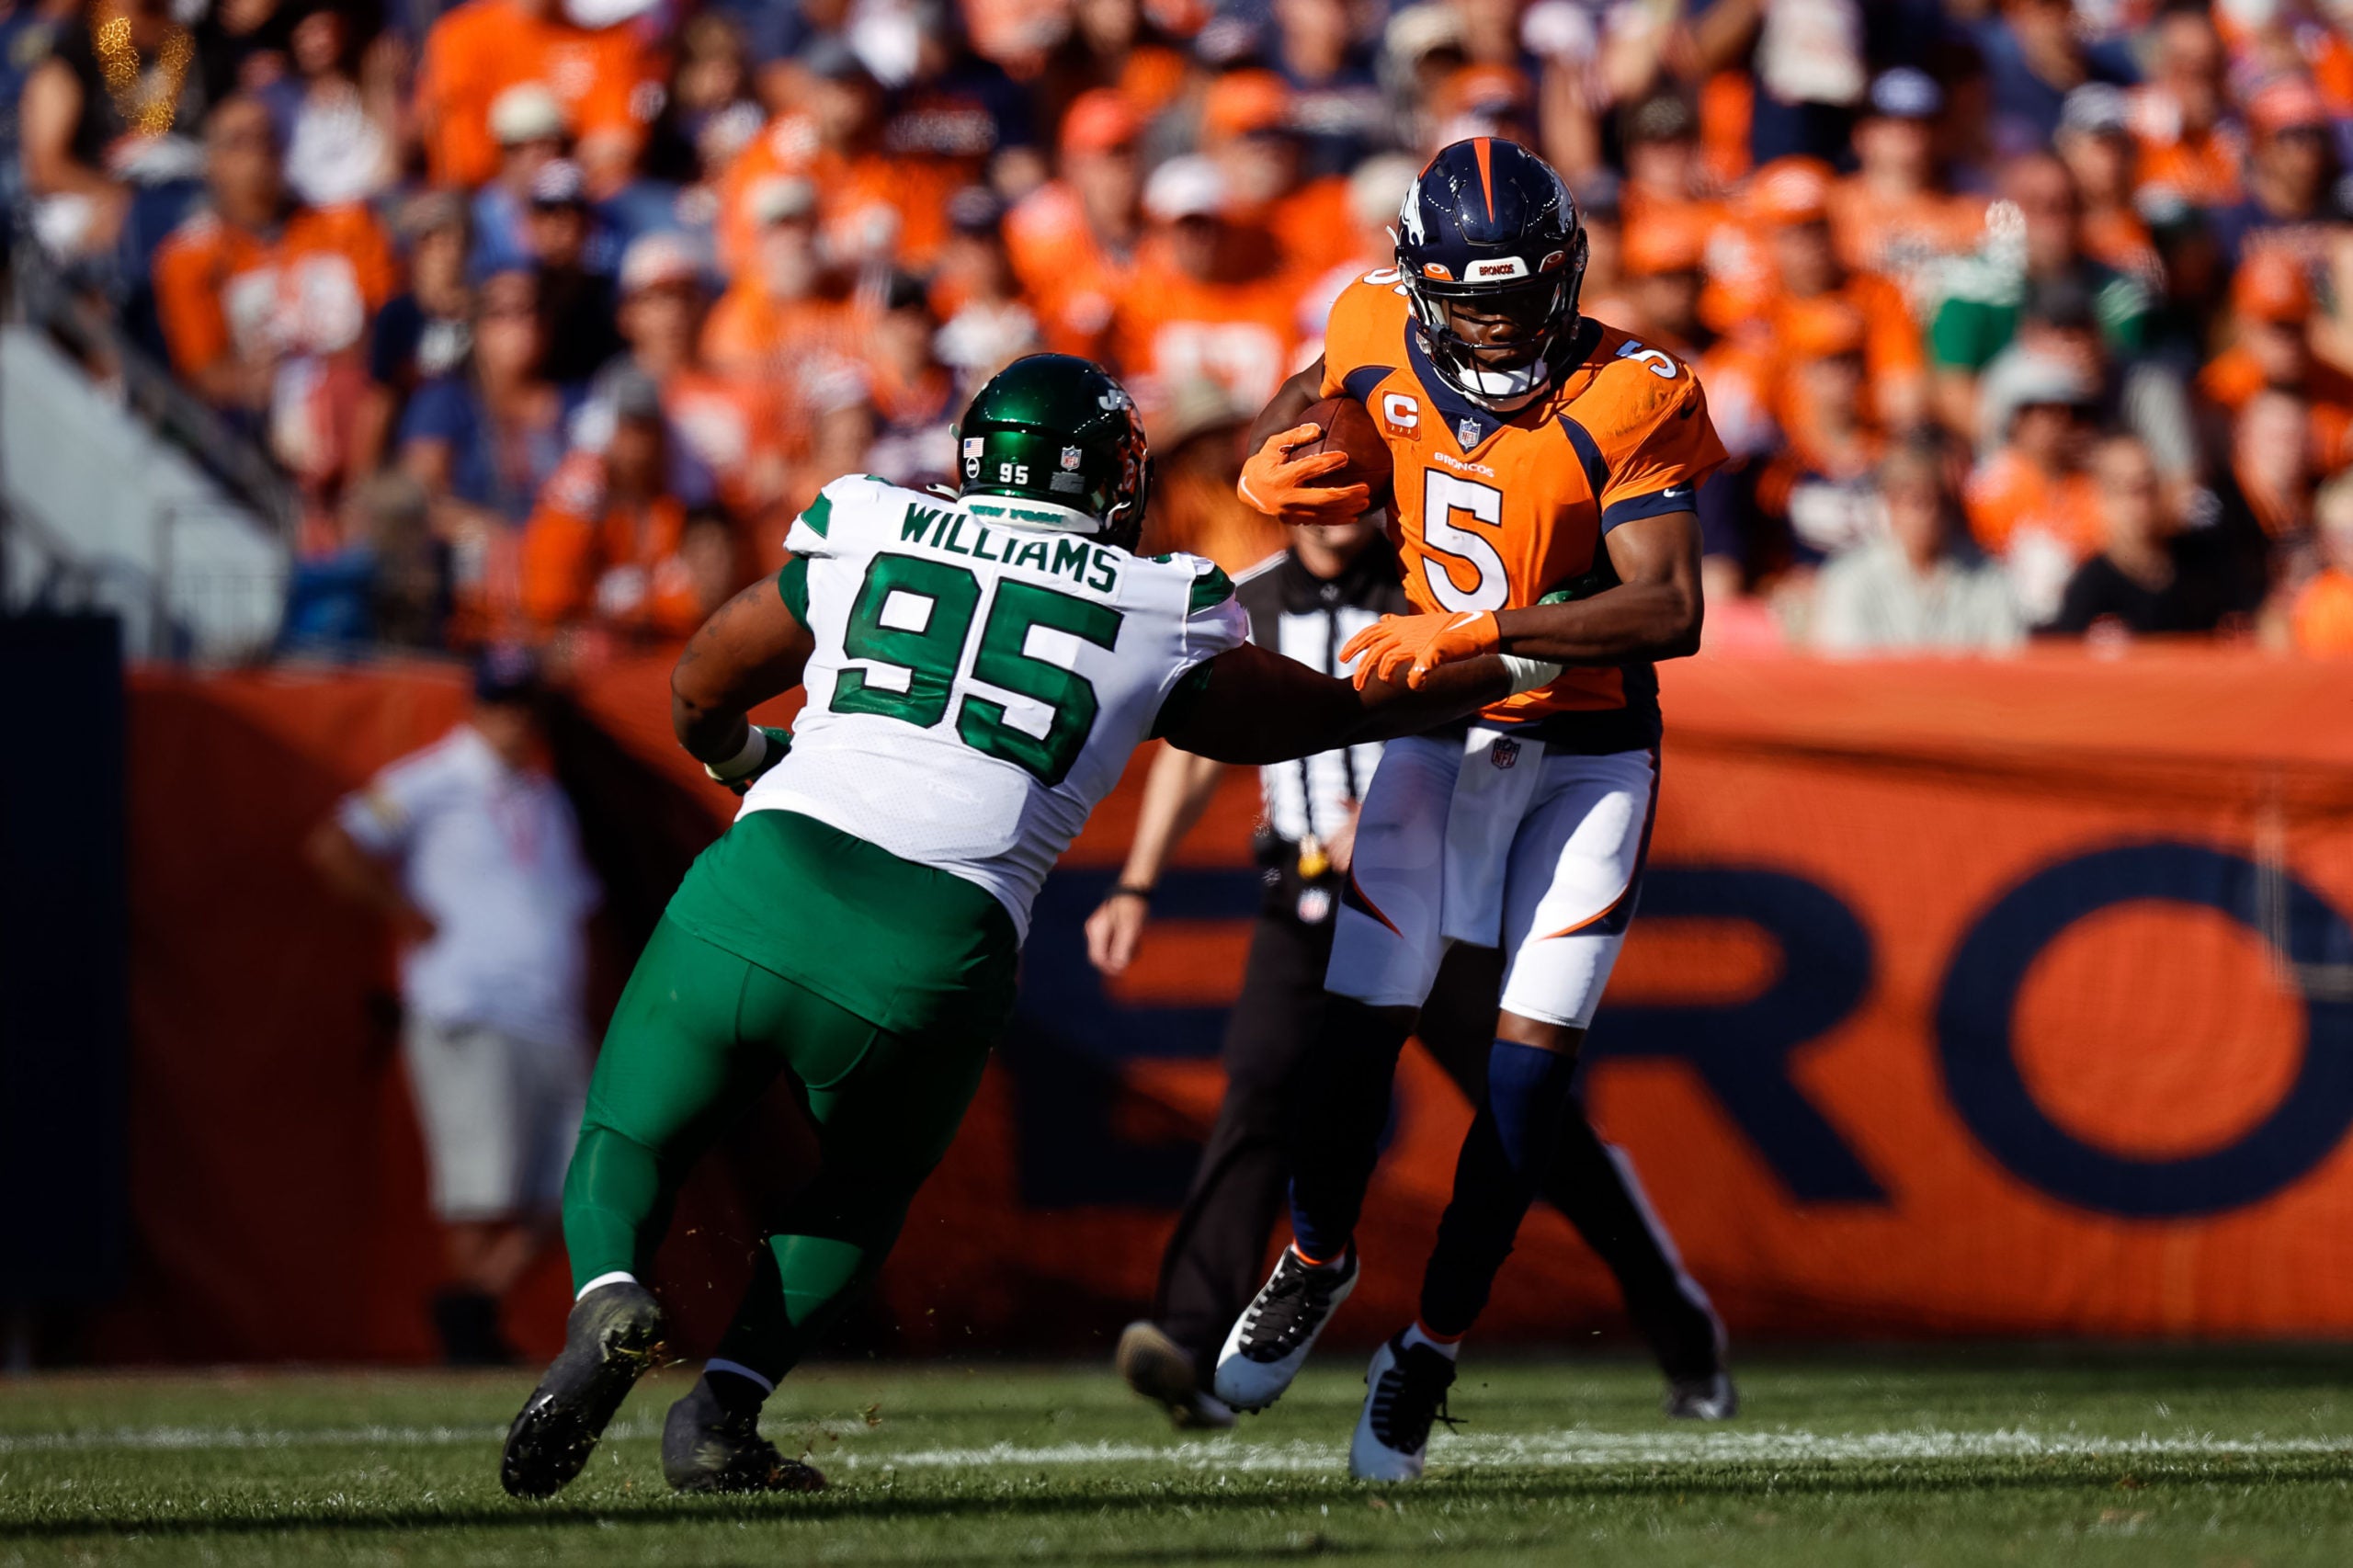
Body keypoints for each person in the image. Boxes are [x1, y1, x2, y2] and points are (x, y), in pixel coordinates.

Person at [496, 353, 1536, 1500]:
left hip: (767, 877)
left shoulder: (866, 519)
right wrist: (1523, 655)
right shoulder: (1159, 600)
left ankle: (609, 1296)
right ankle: (724, 1409)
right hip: (937, 942)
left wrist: (746, 758)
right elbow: (1326, 711)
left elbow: (702, 679)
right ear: (1110, 478)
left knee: (633, 1134)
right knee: (859, 1185)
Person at [1216, 138, 1725, 1482]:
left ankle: (1429, 1348)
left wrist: (1481, 626)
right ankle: (1319, 1254)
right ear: (1419, 279)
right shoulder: (1373, 313)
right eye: (1471, 298)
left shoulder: (1636, 387)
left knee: (1523, 1083)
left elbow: (1671, 608)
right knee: (1355, 1023)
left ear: (1566, 275)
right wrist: (1271, 459)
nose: (1496, 323)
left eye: (1519, 296)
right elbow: (1321, 398)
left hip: (1586, 747)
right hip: (1438, 729)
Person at [1090, 516, 1733, 1432]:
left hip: (1428, 890)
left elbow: (1511, 719)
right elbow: (1198, 746)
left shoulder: (1430, 579)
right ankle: (1194, 1343)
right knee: (1255, 1099)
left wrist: (1409, 816)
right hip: (1300, 896)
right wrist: (1138, 876)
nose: (1332, 503)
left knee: (1533, 1123)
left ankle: (1680, 1330)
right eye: (1313, 479)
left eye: (1352, 479)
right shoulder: (1249, 597)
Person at [307, 648, 599, 1365]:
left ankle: (472, 1307)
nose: (512, 720)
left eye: (524, 705)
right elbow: (335, 844)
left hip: (546, 1010)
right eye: (500, 704)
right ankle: (469, 1328)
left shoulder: (543, 795)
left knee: (583, 1177)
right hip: (468, 1002)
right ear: (476, 708)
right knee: (482, 1185)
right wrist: (405, 915)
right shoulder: (437, 779)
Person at [1813, 437, 2022, 653]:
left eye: (1941, 501)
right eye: (1918, 502)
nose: (1932, 514)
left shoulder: (1988, 578)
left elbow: (2008, 657)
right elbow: (1847, 667)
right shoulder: (1850, 579)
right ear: (1890, 505)